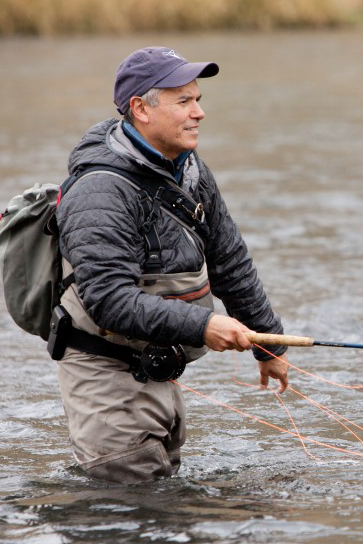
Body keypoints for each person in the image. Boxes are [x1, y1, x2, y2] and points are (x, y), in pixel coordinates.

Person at [55, 46, 289, 484]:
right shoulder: (100, 191)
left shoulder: (189, 170)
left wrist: (269, 346)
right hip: (108, 375)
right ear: (141, 109)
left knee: (164, 502)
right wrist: (204, 327)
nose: (199, 113)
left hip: (159, 366)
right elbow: (109, 300)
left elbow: (230, 261)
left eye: (198, 99)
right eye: (184, 102)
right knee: (135, 514)